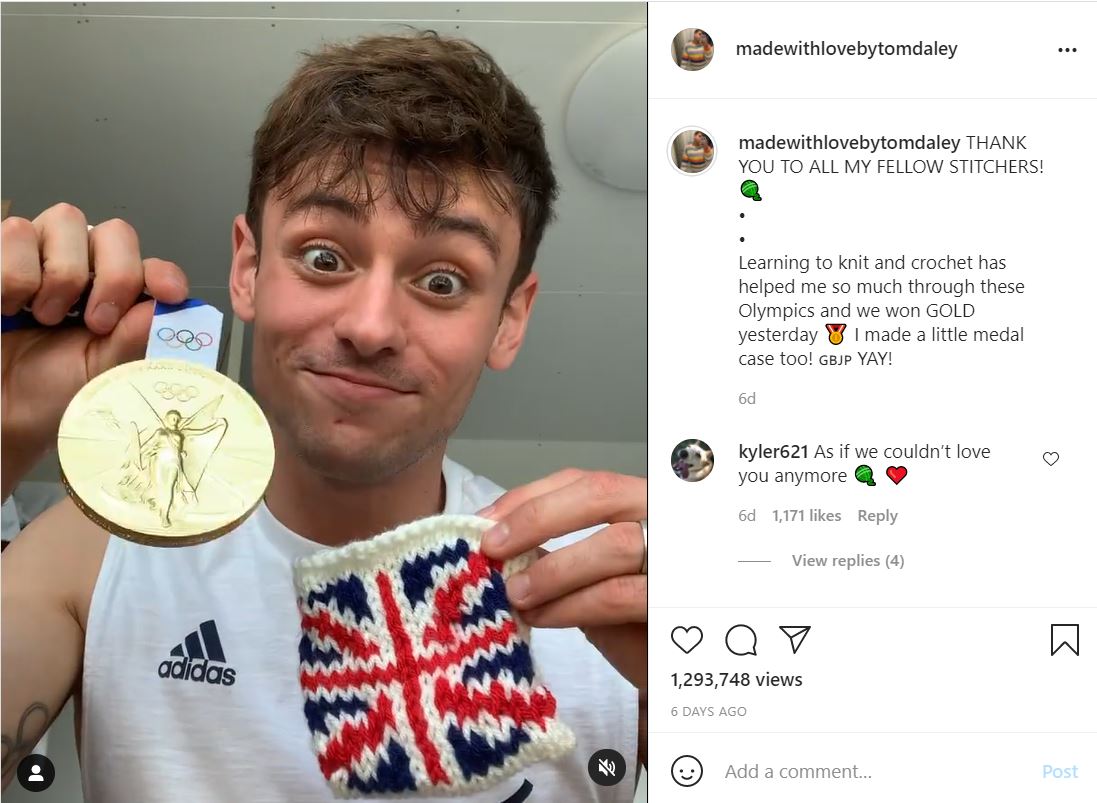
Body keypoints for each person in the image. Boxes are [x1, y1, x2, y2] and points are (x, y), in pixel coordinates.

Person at [0, 32, 647, 801]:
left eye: (442, 279)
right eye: (324, 258)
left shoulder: (608, 580)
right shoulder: (94, 547)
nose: (369, 326)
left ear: (509, 318)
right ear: (248, 270)